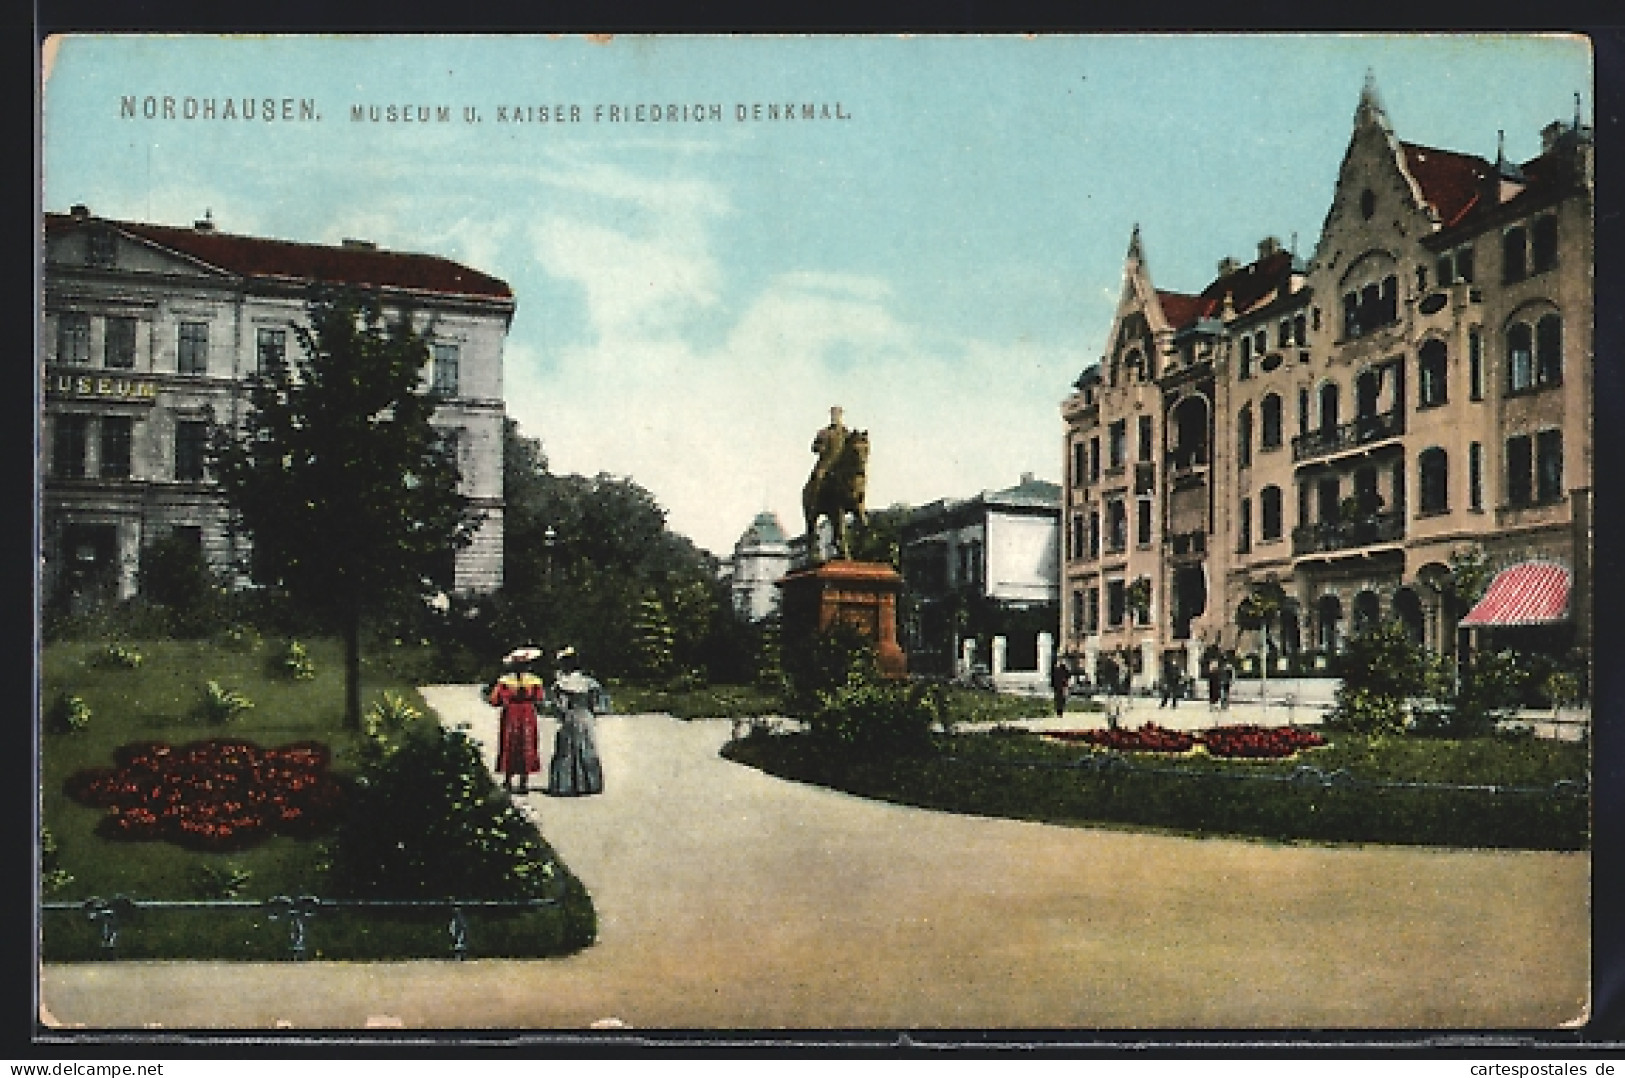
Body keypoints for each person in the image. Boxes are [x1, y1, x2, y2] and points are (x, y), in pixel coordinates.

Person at [547, 647, 605, 796]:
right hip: (585, 716)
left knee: (567, 749)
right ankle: (588, 783)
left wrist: (561, 713)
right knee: (586, 747)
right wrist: (592, 712)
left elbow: (559, 705)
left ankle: (566, 784)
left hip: (571, 716)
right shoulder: (589, 682)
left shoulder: (562, 683)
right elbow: (596, 703)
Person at [487, 646, 545, 794]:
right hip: (526, 713)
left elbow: (494, 700)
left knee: (510, 743)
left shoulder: (505, 681)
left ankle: (509, 779)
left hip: (512, 713)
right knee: (525, 743)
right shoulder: (534, 681)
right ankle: (522, 781)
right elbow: (539, 699)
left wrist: (506, 699)